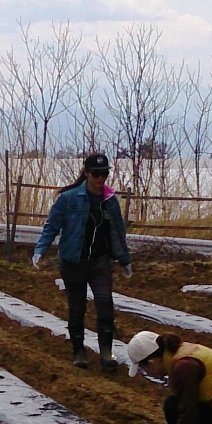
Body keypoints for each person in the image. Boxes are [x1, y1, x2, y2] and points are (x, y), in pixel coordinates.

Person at [31, 152, 132, 370]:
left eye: (104, 173)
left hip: (99, 261)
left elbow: (117, 232)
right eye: (96, 173)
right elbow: (52, 226)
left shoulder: (109, 200)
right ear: (86, 173)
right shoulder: (69, 198)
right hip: (73, 261)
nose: (100, 178)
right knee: (77, 307)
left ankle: (106, 352)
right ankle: (79, 351)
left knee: (105, 302)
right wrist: (41, 249)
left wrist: (124, 260)